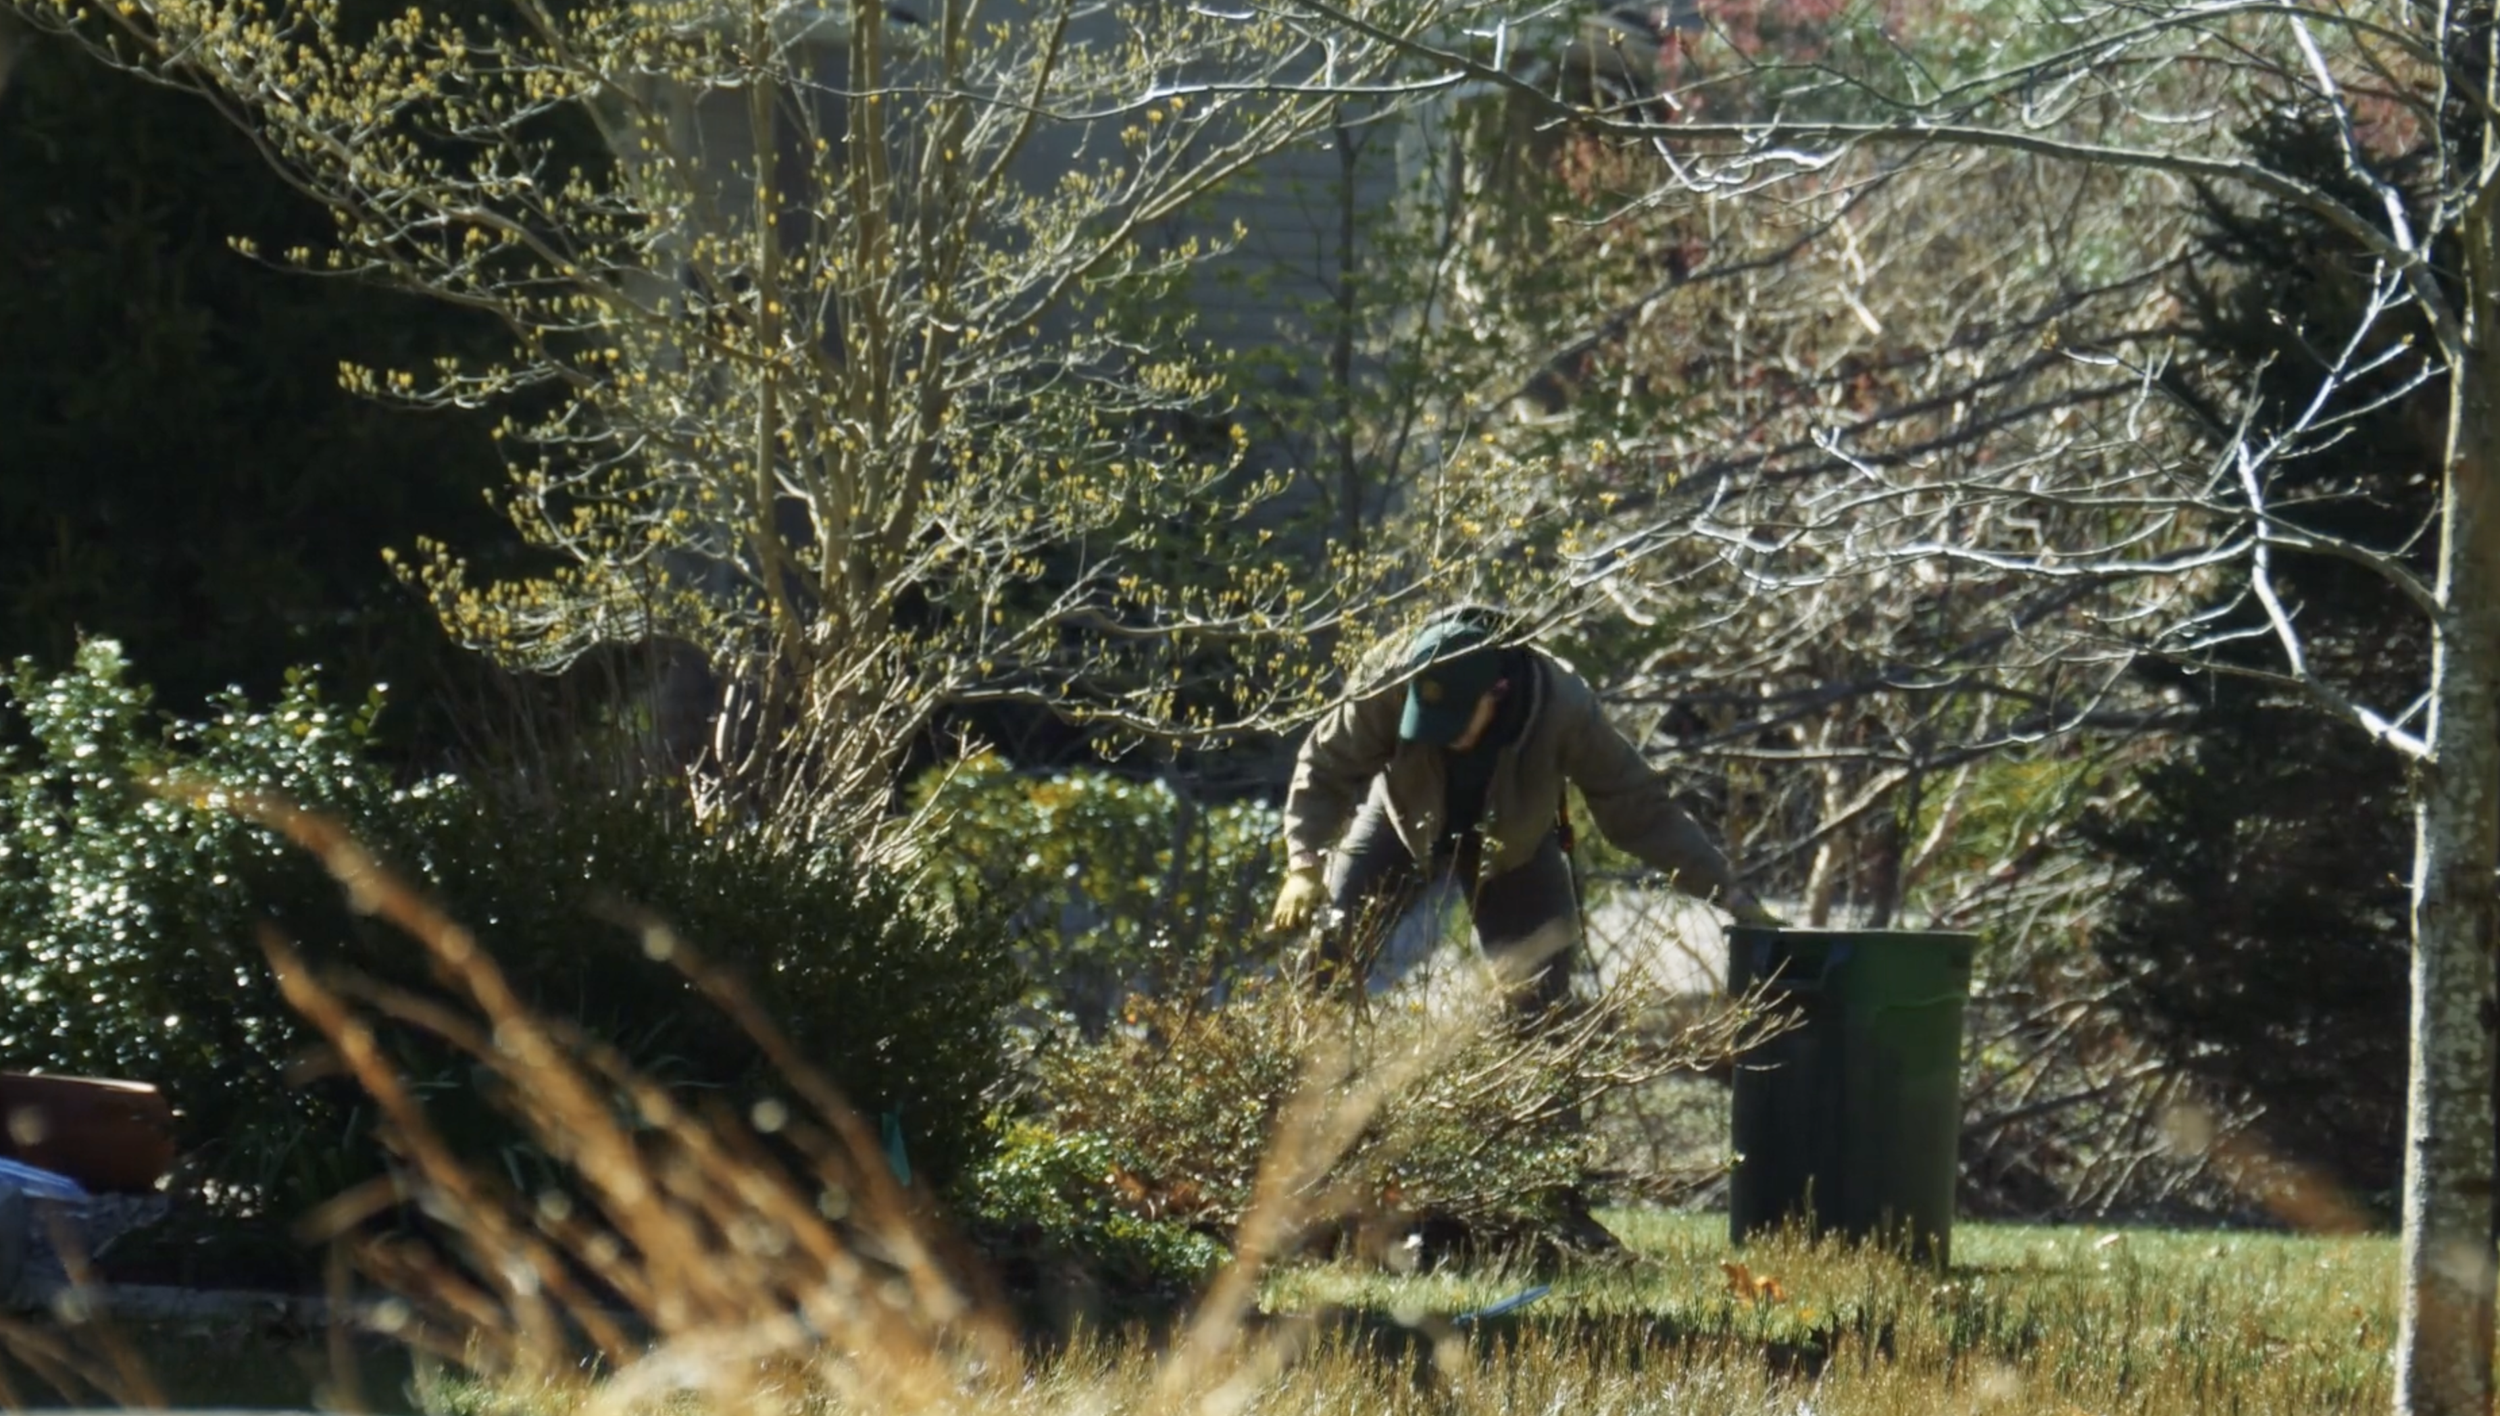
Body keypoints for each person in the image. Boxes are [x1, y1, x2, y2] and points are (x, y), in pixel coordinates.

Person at [1270, 608, 1779, 1007]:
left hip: (1514, 843)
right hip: (1401, 819)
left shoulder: (1564, 704)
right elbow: (1325, 766)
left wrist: (1730, 893)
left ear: (1497, 691)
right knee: (1327, 962)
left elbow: (1639, 806)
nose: (1442, 736)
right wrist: (1304, 864)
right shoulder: (1387, 680)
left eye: (1455, 721)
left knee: (1540, 1004)